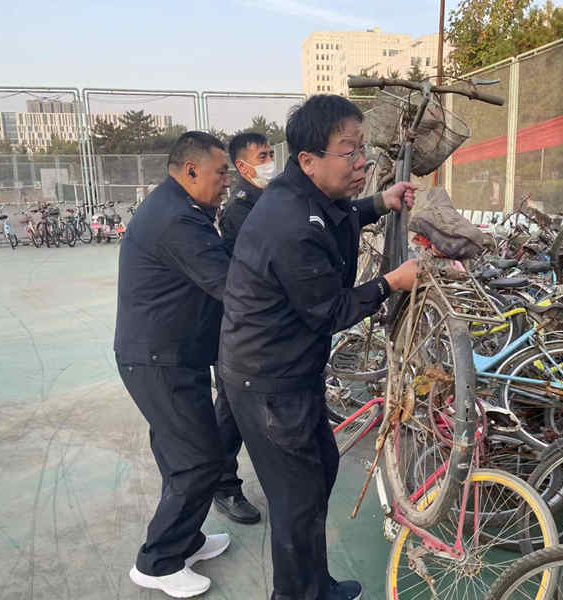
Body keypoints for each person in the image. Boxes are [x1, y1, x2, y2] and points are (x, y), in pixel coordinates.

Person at [220, 95, 419, 600]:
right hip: (268, 382)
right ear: (308, 160)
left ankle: (315, 585)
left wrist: (381, 202)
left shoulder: (307, 196)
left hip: (291, 371)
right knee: (296, 500)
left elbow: (342, 212)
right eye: (349, 152)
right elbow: (330, 311)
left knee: (320, 473)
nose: (362, 163)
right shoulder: (289, 223)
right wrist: (392, 282)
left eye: (363, 149)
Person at [114, 131, 234, 599]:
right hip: (158, 360)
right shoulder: (176, 219)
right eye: (220, 172)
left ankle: (186, 541)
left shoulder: (181, 207)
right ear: (191, 170)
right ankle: (158, 561)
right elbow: (232, 286)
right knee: (200, 460)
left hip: (171, 354)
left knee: (178, 456)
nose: (226, 181)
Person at [211, 131, 276, 524]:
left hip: (264, 326)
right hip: (243, 326)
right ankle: (223, 485)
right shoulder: (240, 209)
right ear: (242, 166)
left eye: (270, 153)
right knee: (233, 408)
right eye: (262, 156)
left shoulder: (268, 199)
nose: (270, 161)